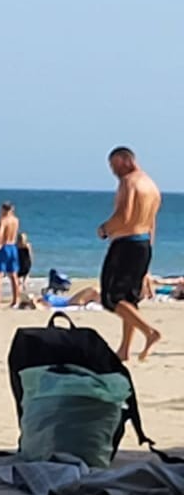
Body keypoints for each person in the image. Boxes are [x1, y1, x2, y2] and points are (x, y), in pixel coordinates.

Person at [97, 146, 163, 362]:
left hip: (126, 244)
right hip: (144, 244)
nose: (113, 171)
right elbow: (152, 222)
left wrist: (105, 229)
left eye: (114, 165)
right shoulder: (152, 186)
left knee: (111, 298)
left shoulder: (129, 182)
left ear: (126, 160)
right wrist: (149, 252)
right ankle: (124, 349)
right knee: (129, 299)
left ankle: (149, 332)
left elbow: (123, 216)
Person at [0, 202, 22, 308]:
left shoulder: (2, 220)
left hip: (3, 247)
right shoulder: (16, 220)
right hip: (13, 247)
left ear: (3, 209)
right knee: (13, 275)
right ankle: (15, 300)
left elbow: (0, 232)